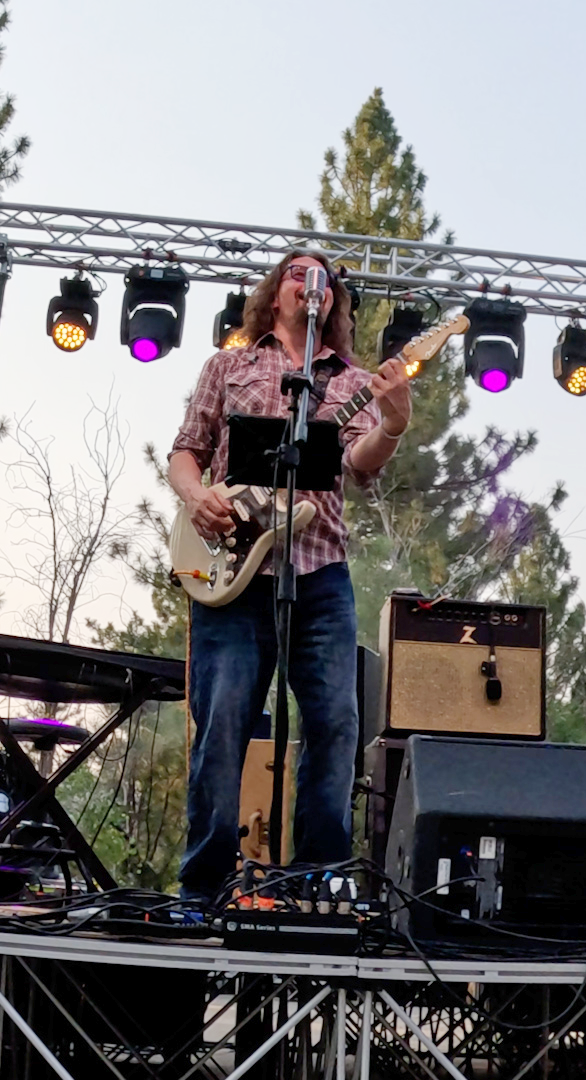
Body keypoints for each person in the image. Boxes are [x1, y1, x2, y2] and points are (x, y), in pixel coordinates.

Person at [170, 251, 412, 905]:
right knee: (224, 723)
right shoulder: (229, 364)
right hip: (232, 571)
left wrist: (393, 421)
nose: (315, 283)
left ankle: (318, 883)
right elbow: (186, 452)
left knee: (336, 721)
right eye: (300, 272)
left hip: (320, 573)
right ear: (275, 292)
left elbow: (360, 464)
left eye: (325, 278)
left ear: (334, 300)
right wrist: (198, 499)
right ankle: (203, 889)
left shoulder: (351, 381)